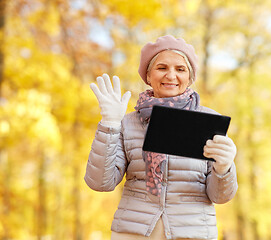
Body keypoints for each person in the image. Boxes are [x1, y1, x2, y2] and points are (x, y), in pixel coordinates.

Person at [84, 35, 238, 240]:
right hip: (134, 232)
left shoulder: (209, 122)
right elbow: (100, 183)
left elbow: (220, 196)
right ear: (148, 76)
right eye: (162, 67)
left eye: (180, 69)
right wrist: (109, 125)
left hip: (191, 233)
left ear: (190, 77)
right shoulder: (128, 123)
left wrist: (224, 168)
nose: (171, 75)